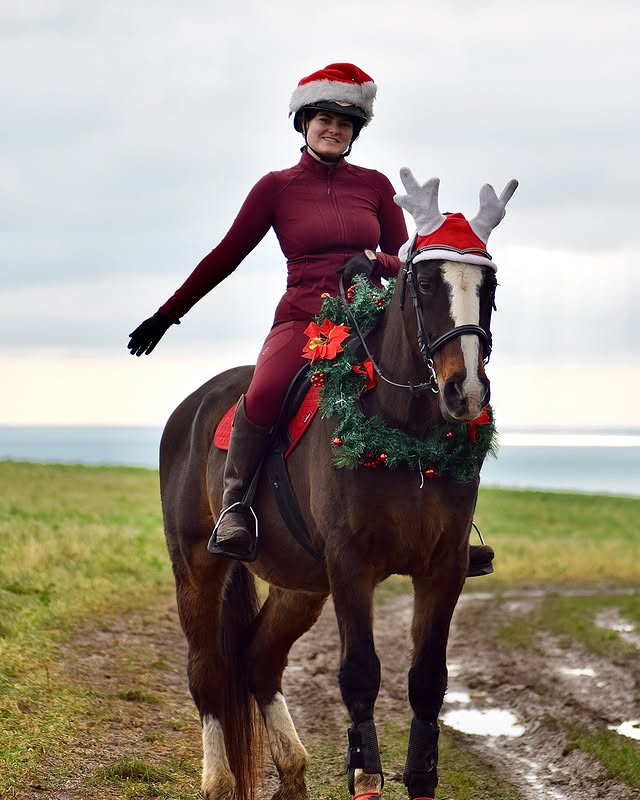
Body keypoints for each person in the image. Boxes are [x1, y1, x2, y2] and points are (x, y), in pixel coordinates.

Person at [127, 62, 494, 577]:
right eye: (323, 118)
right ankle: (235, 507)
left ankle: (455, 531)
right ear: (303, 123)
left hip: (370, 320)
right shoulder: (276, 188)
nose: (333, 129)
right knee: (266, 390)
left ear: (354, 133)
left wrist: (376, 263)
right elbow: (225, 255)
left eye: (345, 123)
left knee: (446, 388)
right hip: (304, 321)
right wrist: (169, 314)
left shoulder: (375, 185)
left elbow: (406, 258)